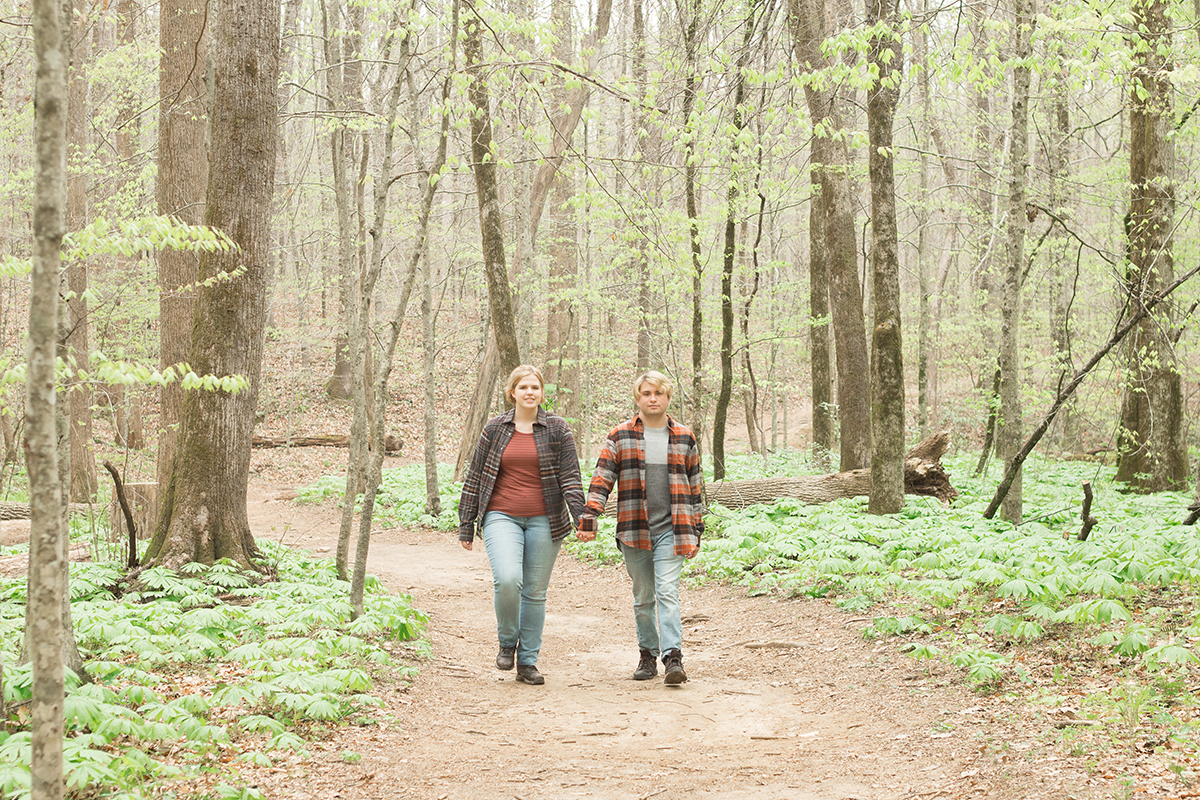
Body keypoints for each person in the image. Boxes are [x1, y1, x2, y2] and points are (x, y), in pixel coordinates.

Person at [458, 365, 585, 686]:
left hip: (546, 519)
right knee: (508, 579)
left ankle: (528, 662)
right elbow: (474, 476)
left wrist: (582, 516)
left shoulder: (557, 429)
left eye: (535, 387)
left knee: (535, 592)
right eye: (523, 387)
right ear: (512, 392)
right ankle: (507, 641)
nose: (530, 392)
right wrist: (466, 522)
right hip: (501, 515)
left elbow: (570, 476)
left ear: (542, 393)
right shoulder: (494, 429)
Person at [577, 370, 704, 685]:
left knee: (667, 591)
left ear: (667, 398)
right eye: (647, 394)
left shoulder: (685, 437)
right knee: (644, 596)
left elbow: (696, 488)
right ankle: (647, 655)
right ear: (638, 398)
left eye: (658, 394)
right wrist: (590, 516)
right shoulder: (621, 435)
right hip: (634, 528)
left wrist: (697, 531)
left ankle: (673, 657)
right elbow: (602, 478)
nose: (652, 399)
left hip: (674, 529)